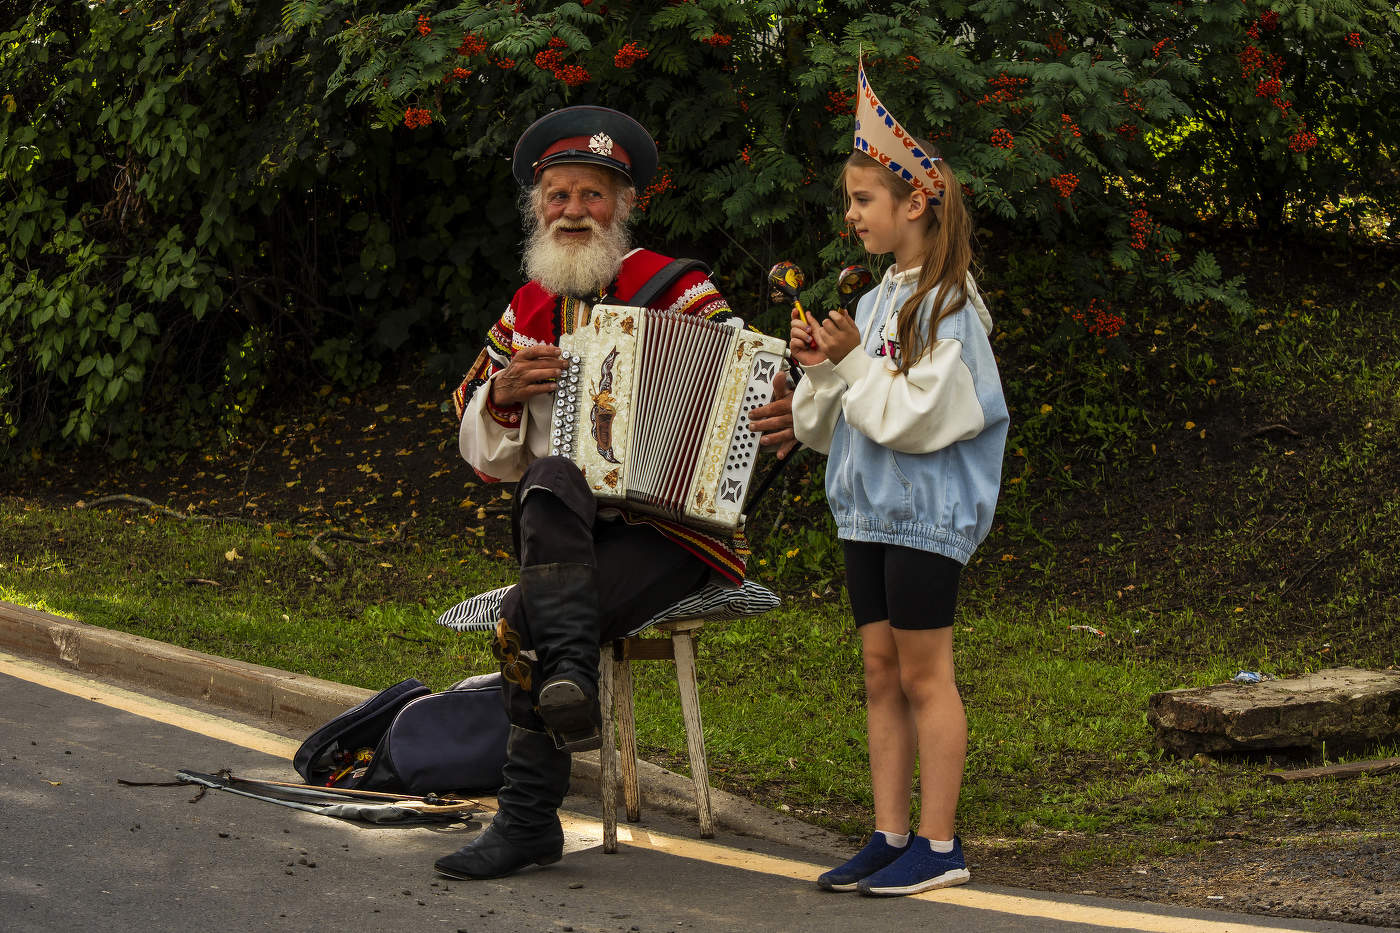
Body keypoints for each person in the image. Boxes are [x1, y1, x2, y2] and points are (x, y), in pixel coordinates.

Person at [435, 105, 796, 881]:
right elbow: (479, 445)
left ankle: (528, 821)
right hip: (566, 530)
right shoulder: (527, 308)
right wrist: (500, 393)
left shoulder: (679, 288)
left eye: (591, 195)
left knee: (521, 616)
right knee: (550, 475)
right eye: (557, 194)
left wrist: (786, 402)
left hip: (673, 535)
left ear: (622, 207)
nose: (572, 210)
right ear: (538, 207)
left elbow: (757, 380)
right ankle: (567, 690)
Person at [789, 61, 1008, 897]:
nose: (850, 215)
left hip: (924, 519)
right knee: (880, 669)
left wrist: (847, 371)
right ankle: (887, 833)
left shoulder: (951, 307)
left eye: (862, 200)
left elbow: (920, 420)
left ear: (915, 202)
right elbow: (830, 426)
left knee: (924, 674)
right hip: (867, 515)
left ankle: (940, 841)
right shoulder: (879, 299)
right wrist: (818, 371)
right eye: (849, 200)